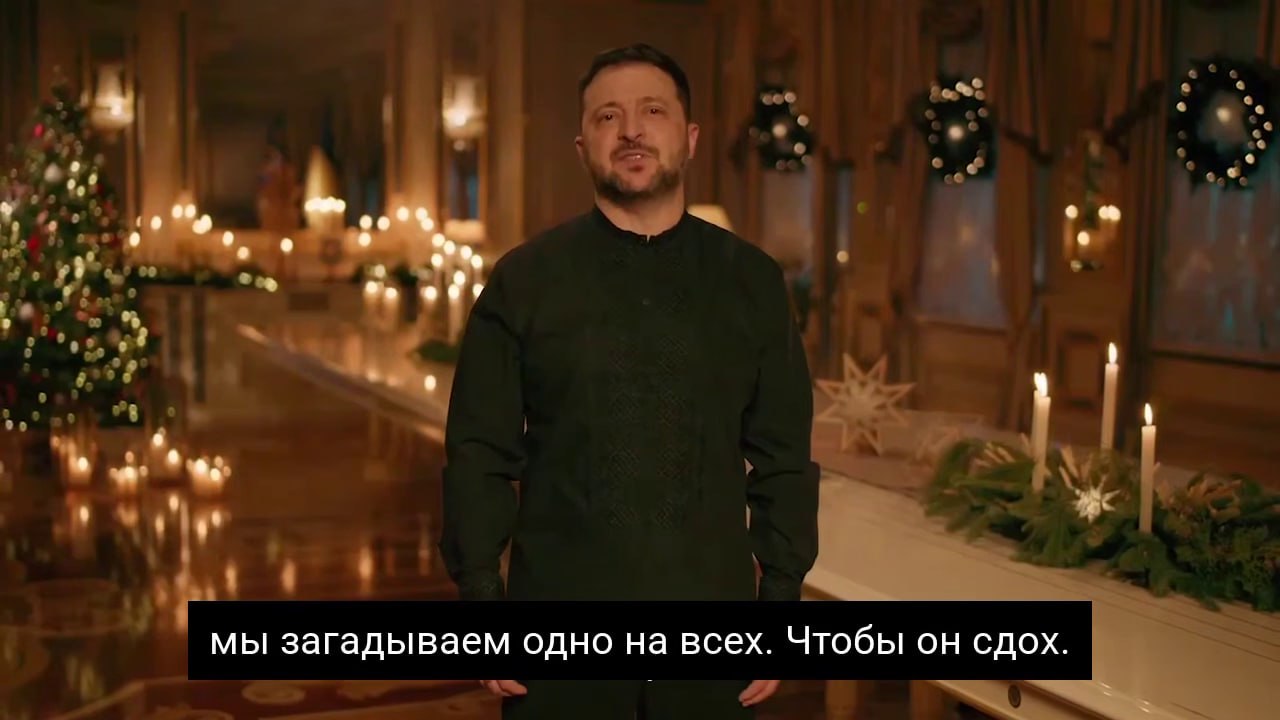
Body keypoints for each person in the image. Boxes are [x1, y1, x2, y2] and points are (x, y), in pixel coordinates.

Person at [439, 43, 820, 719]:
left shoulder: (752, 282)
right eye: (608, 117)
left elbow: (784, 456)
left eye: (653, 111)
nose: (632, 130)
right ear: (582, 145)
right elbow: (478, 452)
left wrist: (781, 602)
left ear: (690, 137)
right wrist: (481, 602)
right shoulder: (525, 281)